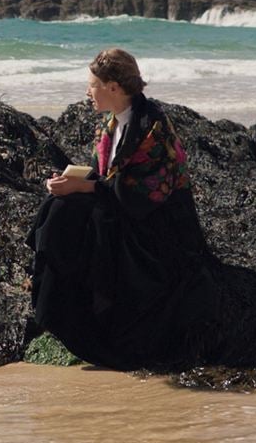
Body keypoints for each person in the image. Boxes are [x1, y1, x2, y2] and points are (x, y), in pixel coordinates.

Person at [25, 48, 221, 371]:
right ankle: (52, 305)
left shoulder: (154, 129)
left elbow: (140, 195)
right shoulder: (109, 126)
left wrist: (85, 187)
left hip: (158, 233)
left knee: (85, 211)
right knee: (59, 207)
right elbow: (102, 180)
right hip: (122, 212)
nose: (87, 92)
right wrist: (69, 182)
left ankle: (96, 316)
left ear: (113, 87)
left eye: (92, 85)